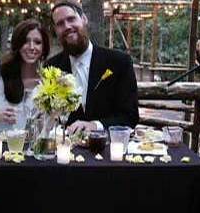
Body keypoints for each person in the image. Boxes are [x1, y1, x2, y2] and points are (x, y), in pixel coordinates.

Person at [46, 0, 139, 133]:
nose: (67, 26)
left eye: (71, 19)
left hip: (109, 148)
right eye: (60, 24)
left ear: (84, 19)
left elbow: (130, 117)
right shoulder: (52, 68)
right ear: (56, 30)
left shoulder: (119, 62)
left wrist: (95, 125)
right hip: (66, 149)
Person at [0, 19, 50, 132]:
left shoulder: (47, 81)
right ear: (17, 44)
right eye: (26, 41)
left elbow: (45, 127)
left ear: (44, 48)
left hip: (29, 146)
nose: (32, 47)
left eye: (37, 42)